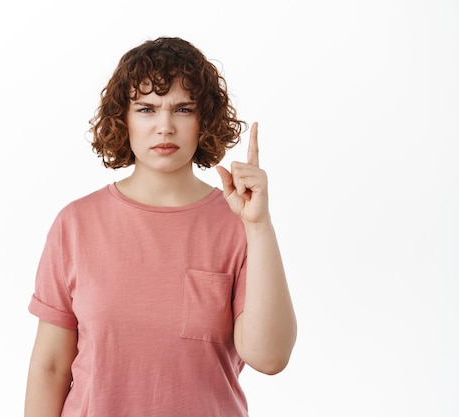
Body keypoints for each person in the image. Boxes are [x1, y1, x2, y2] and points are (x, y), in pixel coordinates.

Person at [24, 36, 297, 417]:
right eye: (147, 109)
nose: (165, 126)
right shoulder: (76, 224)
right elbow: (50, 366)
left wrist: (260, 226)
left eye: (183, 109)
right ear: (124, 118)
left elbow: (269, 358)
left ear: (204, 120)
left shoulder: (238, 224)